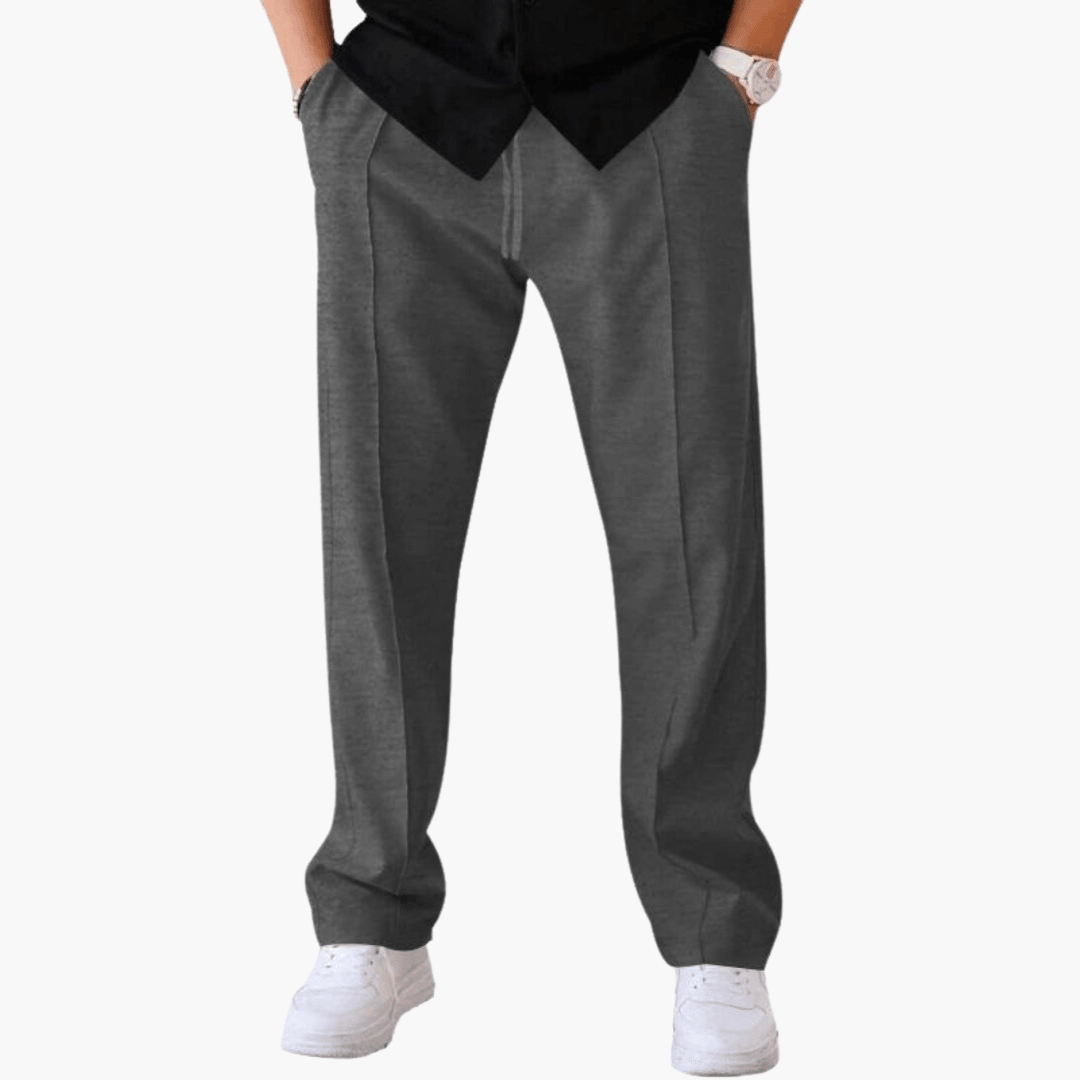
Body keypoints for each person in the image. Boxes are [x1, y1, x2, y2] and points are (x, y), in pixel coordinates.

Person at [260, 0, 803, 1073]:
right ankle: (371, 916)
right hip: (403, 111)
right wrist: (315, 85)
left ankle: (715, 931)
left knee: (690, 530)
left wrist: (745, 68)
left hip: (651, 103)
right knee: (379, 531)